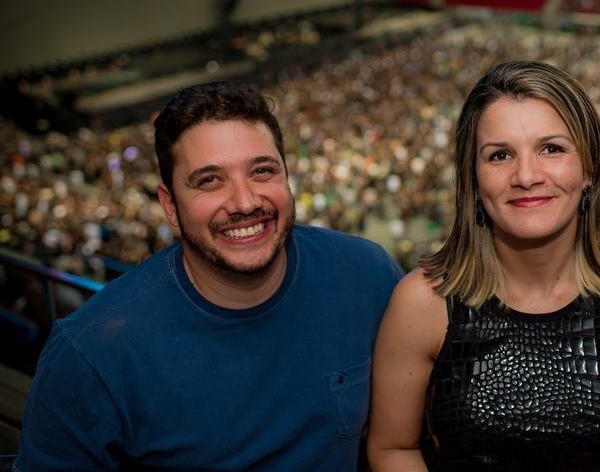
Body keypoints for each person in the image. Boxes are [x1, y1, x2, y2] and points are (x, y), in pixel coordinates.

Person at [14, 82, 403, 472]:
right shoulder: (90, 356)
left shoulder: (366, 275)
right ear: (169, 205)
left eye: (262, 171)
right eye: (209, 180)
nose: (245, 202)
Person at [367, 61, 600, 471]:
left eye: (552, 148)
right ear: (473, 181)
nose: (526, 176)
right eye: (500, 155)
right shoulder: (422, 303)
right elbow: (392, 448)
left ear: (590, 169)